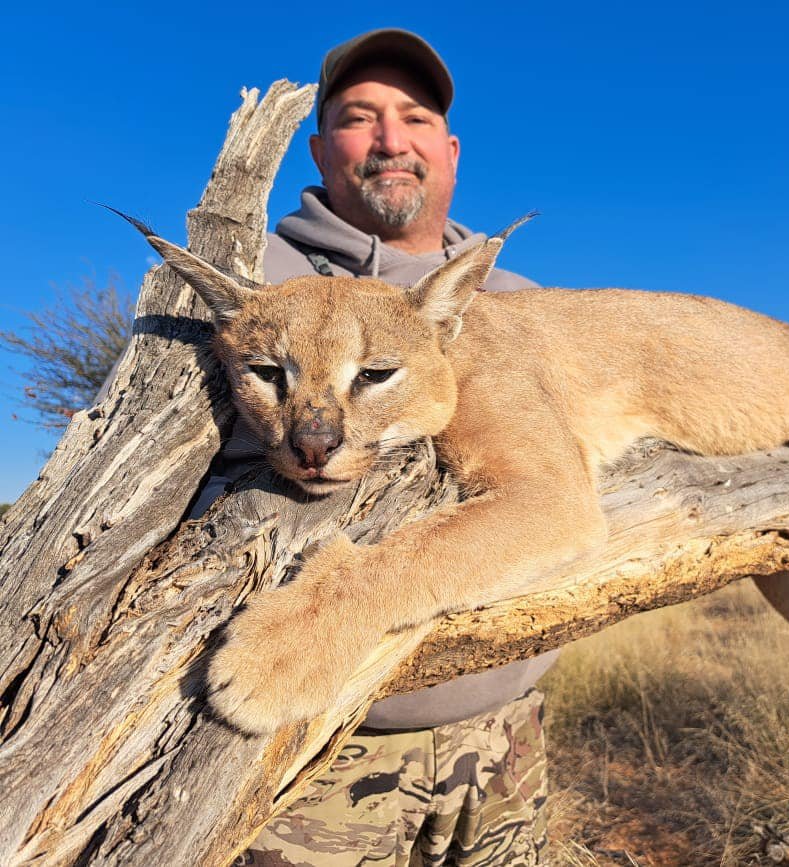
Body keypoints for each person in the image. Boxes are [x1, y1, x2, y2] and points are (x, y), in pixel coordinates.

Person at [190, 29, 556, 867]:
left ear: (450, 149)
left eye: (416, 117)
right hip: (316, 741)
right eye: (360, 118)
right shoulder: (253, 283)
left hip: (509, 734)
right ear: (318, 148)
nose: (392, 140)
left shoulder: (520, 299)